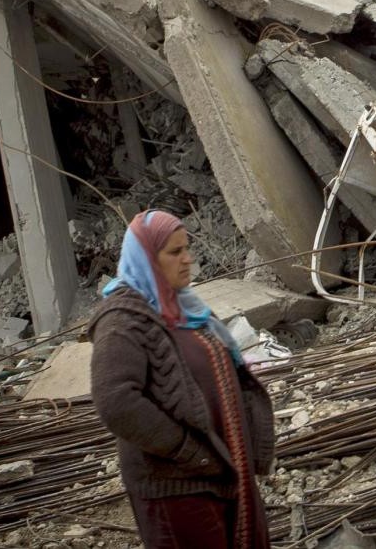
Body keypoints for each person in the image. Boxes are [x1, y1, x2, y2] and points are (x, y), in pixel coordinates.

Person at [89, 210, 273, 549]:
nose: (187, 260)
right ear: (145, 258)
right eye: (174, 253)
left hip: (225, 473)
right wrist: (187, 452)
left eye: (187, 249)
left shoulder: (187, 307)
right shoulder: (123, 319)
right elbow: (116, 400)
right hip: (178, 485)